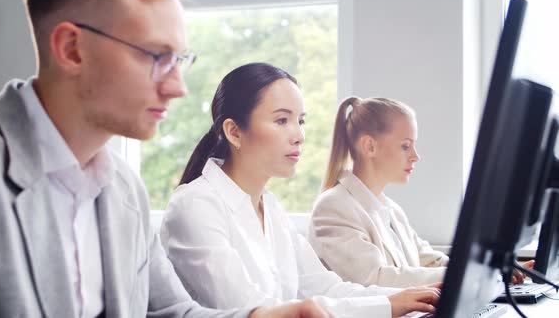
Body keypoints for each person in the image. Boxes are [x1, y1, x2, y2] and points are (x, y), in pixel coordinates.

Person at [0, 0, 333, 317]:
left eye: (179, 60)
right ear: (72, 50)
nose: (178, 87)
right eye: (156, 56)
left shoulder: (124, 188)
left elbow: (173, 312)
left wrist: (261, 317)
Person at [161, 63, 441, 318]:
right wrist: (389, 305)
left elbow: (326, 288)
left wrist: (404, 299)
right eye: (282, 120)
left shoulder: (271, 209)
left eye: (301, 121)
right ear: (234, 132)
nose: (299, 135)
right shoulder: (194, 206)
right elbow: (253, 309)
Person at [307, 96, 534, 288]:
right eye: (406, 146)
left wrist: (490, 270)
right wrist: (468, 276)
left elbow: (428, 261)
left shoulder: (390, 210)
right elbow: (375, 278)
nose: (415, 156)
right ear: (369, 147)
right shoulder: (333, 208)